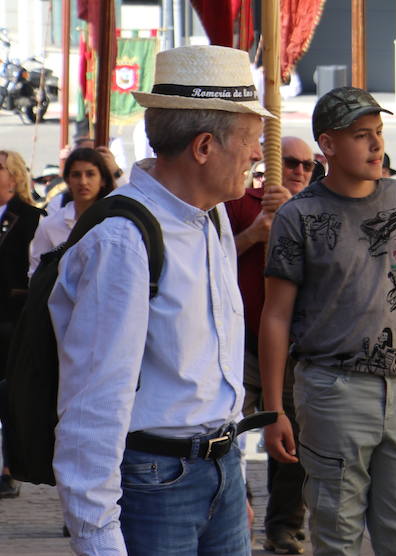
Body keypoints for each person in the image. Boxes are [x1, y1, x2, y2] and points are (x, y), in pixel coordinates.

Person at [48, 44, 275, 553]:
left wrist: (225, 477)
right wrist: (99, 537)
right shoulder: (124, 241)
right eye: (249, 140)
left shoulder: (211, 214)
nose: (258, 154)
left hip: (216, 470)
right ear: (203, 147)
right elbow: (94, 403)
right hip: (154, 482)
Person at [260, 87, 396, 556]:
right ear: (328, 146)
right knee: (336, 536)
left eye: (378, 133)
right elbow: (275, 316)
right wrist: (275, 408)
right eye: (362, 136)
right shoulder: (299, 216)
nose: (376, 145)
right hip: (332, 390)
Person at [228, 135, 314, 554]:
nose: (298, 171)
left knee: (293, 441)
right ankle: (233, 511)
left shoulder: (317, 211)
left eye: (307, 165)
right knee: (226, 433)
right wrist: (256, 232)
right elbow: (214, 259)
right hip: (240, 340)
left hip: (294, 345)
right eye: (292, 163)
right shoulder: (241, 204)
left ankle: (284, 526)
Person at [0, 147, 42, 499]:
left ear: (13, 175)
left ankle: (10, 467)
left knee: (9, 394)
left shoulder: (29, 217)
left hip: (11, 319)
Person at [27, 148, 115, 278]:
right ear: (68, 180)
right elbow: (36, 274)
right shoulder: (50, 225)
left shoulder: (114, 223)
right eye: (76, 175)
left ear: (102, 180)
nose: (83, 182)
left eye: (90, 174)